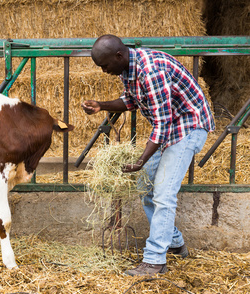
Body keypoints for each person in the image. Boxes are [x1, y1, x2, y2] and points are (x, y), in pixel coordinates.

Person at [82, 34, 215, 276]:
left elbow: (162, 125)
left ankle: (155, 261)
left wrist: (142, 159)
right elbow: (130, 100)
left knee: (164, 194)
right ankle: (174, 243)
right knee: (147, 188)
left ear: (119, 56)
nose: (104, 71)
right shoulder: (127, 69)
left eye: (105, 65)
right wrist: (102, 105)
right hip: (170, 129)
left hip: (188, 127)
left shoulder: (150, 71)